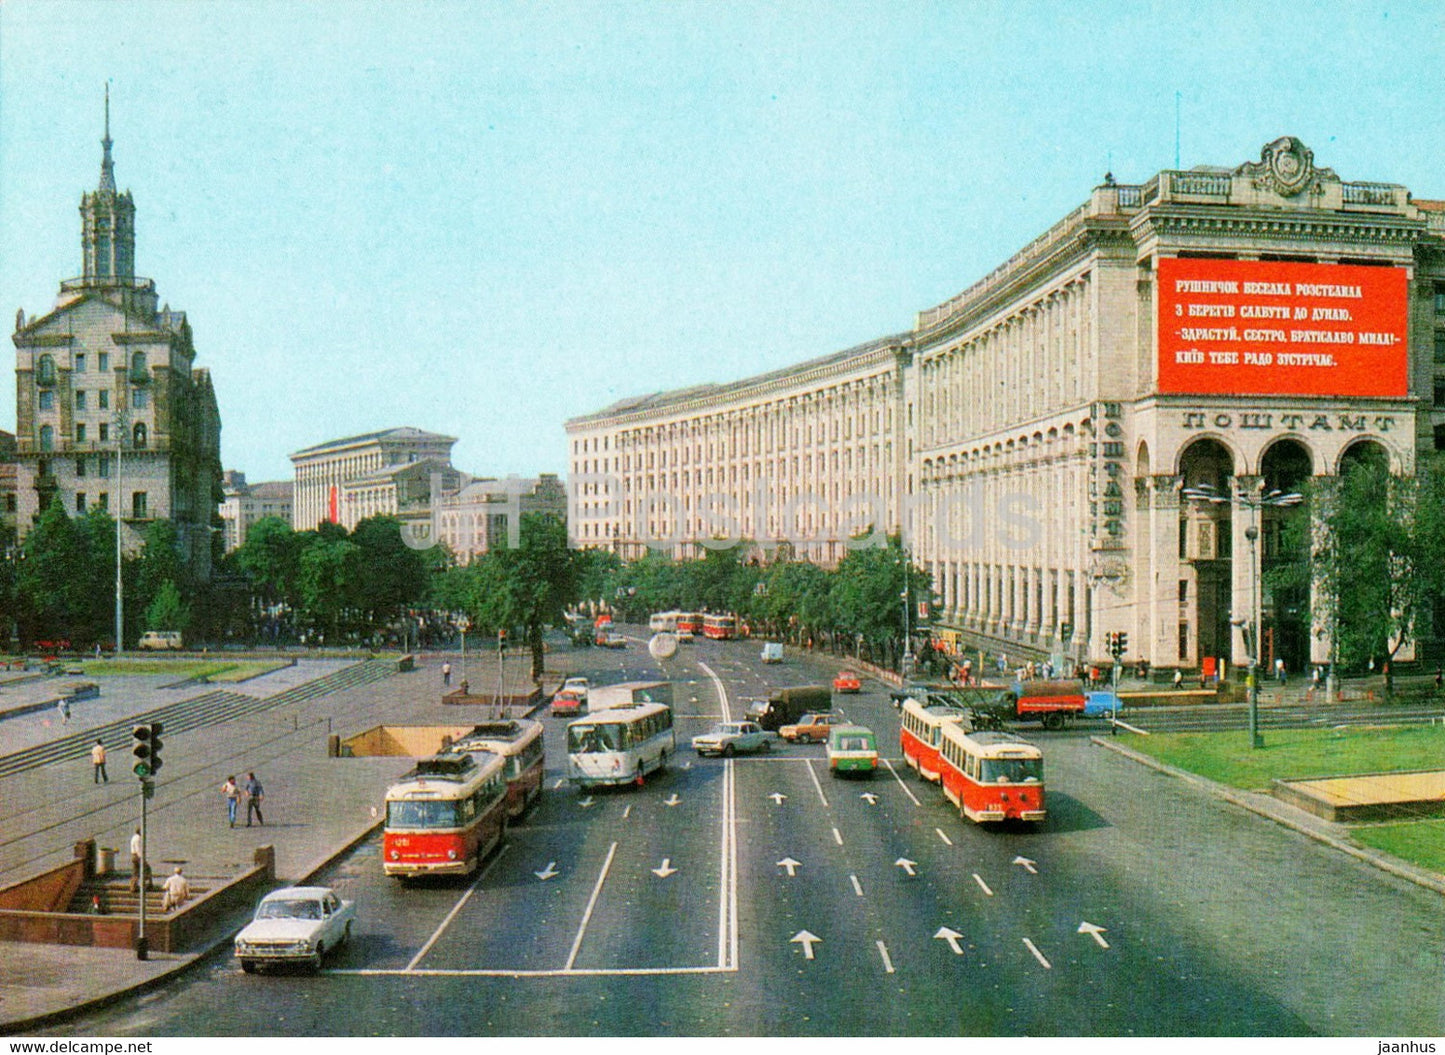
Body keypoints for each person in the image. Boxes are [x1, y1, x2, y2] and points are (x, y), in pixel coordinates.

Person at [129, 828, 143, 892]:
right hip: (137, 856)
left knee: (135, 872)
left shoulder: (133, 837)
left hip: (133, 855)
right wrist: (141, 857)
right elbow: (138, 849)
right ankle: (134, 887)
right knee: (138, 872)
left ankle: (133, 886)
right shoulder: (138, 838)